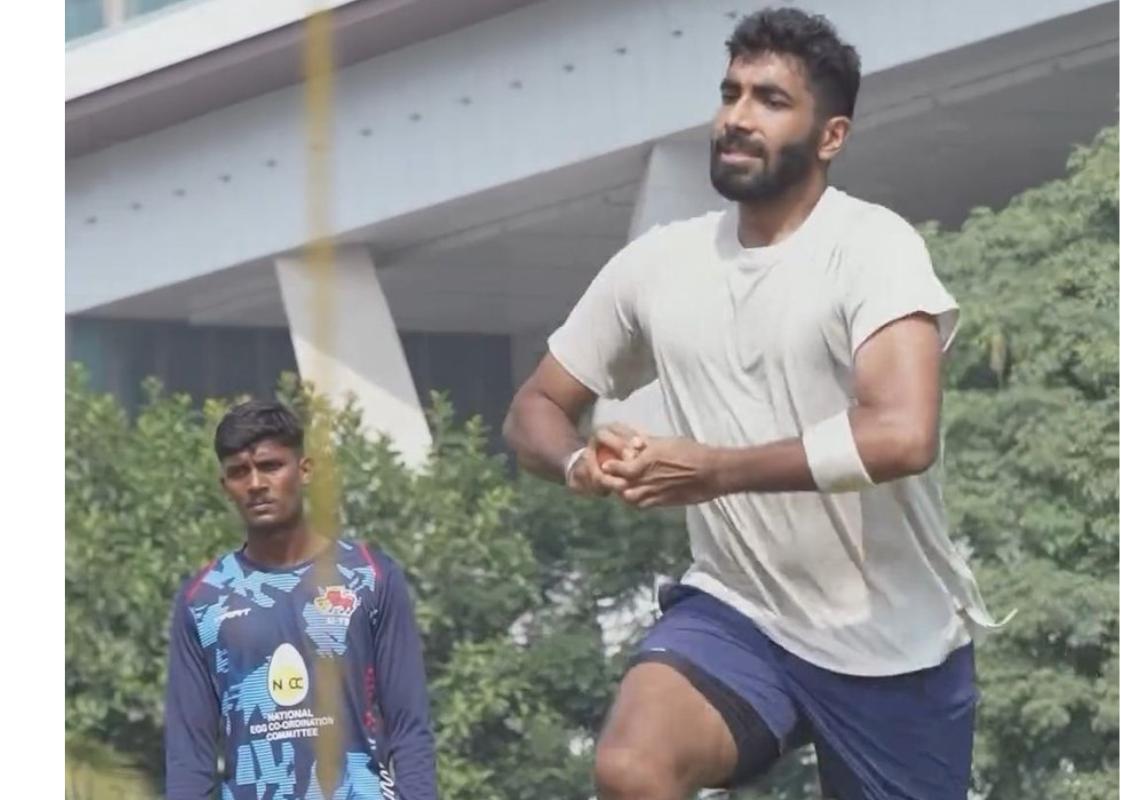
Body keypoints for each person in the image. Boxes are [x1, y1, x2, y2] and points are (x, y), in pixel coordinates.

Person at [503, 7, 1003, 799]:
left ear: (830, 136)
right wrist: (578, 463)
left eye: (770, 100)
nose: (736, 117)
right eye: (730, 93)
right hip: (742, 614)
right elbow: (536, 404)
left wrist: (714, 471)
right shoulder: (658, 264)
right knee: (633, 768)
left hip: (896, 648)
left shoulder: (873, 249)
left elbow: (904, 435)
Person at [164, 400, 437, 800]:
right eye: (239, 473)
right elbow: (188, 758)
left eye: (271, 466)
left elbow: (410, 728)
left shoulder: (370, 577)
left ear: (304, 470)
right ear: (226, 487)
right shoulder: (203, 598)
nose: (256, 483)